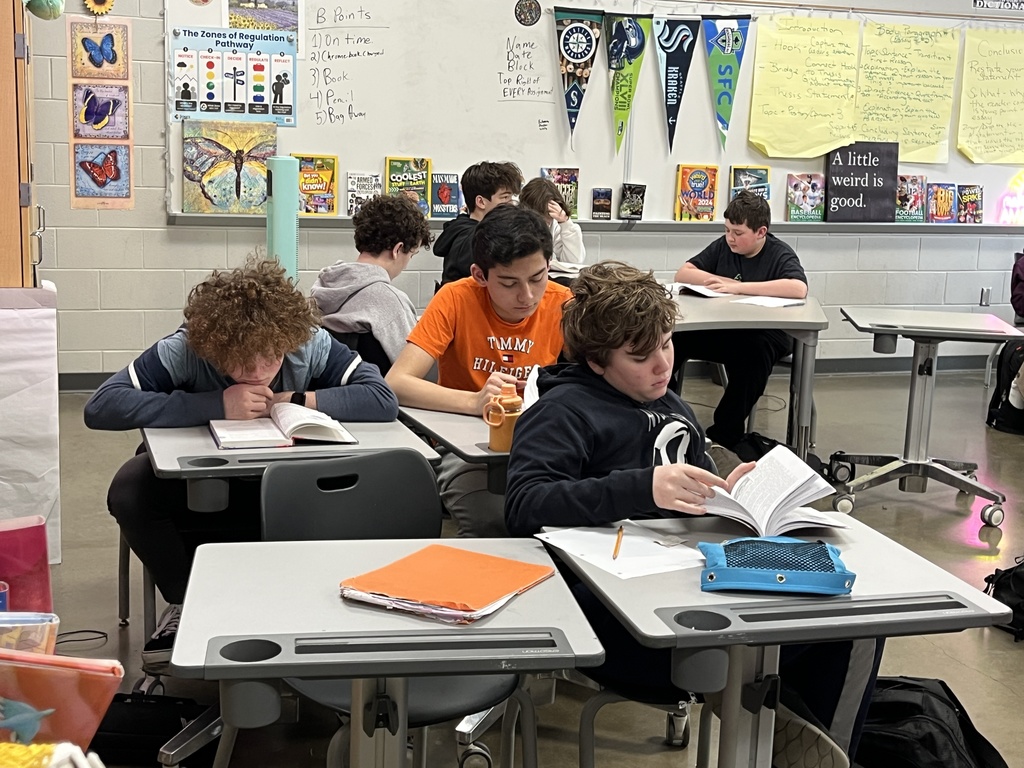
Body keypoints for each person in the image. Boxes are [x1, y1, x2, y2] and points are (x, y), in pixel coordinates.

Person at [505, 261, 882, 763]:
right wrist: (641, 486)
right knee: (831, 640)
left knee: (850, 624)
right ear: (597, 361)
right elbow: (525, 506)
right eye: (641, 356)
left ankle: (790, 736)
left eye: (667, 344)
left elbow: (694, 481)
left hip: (698, 580)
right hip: (622, 617)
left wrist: (733, 492)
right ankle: (778, 728)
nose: (662, 365)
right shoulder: (562, 410)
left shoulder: (670, 404)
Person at [84, 258, 399, 668]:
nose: (257, 372)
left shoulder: (309, 342)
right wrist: (215, 403)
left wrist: (300, 399)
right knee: (131, 490)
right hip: (198, 483)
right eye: (240, 361)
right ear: (214, 347)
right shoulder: (186, 348)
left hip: (279, 481)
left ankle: (286, 603)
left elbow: (381, 398)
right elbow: (102, 406)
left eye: (270, 358)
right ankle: (185, 601)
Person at [386, 204, 571, 537]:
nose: (527, 296)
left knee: (562, 515)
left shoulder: (562, 302)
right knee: (493, 521)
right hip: (465, 449)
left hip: (538, 444)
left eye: (537, 278)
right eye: (509, 282)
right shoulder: (455, 299)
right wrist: (474, 401)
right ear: (480, 275)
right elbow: (397, 383)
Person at [672, 189, 808, 453]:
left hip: (765, 334)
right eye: (727, 230)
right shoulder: (724, 246)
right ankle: (663, 414)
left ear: (761, 232)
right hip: (725, 330)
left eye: (738, 233)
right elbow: (684, 273)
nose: (730, 238)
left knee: (754, 353)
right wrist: (723, 282)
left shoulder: (779, 253)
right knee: (673, 337)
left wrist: (740, 287)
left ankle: (725, 432)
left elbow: (798, 288)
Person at [311, 194, 432, 370]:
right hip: (376, 394)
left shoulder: (324, 286)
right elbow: (411, 374)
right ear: (398, 250)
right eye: (411, 255)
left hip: (326, 392)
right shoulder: (391, 302)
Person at [434, 161, 523, 286]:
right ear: (481, 202)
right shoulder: (473, 239)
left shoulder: (463, 231)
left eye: (511, 197)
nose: (511, 204)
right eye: (504, 197)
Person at [518, 176, 585, 284]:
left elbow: (574, 262)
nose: (546, 221)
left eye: (549, 214)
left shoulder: (555, 223)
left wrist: (565, 223)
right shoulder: (514, 224)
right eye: (542, 213)